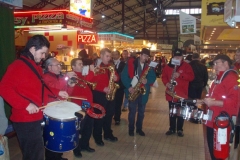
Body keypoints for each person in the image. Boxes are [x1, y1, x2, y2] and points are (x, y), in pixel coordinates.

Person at [0, 35, 68, 160]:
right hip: (25, 119)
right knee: (33, 155)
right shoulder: (18, 66)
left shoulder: (35, 66)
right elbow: (4, 88)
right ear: (32, 49)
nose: (43, 57)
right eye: (42, 53)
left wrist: (57, 92)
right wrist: (25, 104)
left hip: (36, 116)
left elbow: (41, 87)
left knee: (36, 152)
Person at [199, 54, 239, 160]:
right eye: (214, 64)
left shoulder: (232, 78)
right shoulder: (219, 77)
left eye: (217, 63)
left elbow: (235, 102)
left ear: (226, 63)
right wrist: (204, 100)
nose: (214, 67)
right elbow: (213, 95)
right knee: (213, 151)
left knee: (219, 153)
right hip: (212, 121)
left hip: (222, 123)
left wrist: (214, 103)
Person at [43, 57, 76, 160]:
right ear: (49, 67)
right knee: (51, 135)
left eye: (59, 65)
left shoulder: (59, 77)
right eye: (57, 65)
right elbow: (54, 87)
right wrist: (66, 77)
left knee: (59, 134)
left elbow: (66, 94)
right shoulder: (45, 77)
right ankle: (51, 157)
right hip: (50, 110)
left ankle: (58, 156)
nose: (59, 67)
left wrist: (70, 86)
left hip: (58, 108)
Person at [121, 48, 156, 136]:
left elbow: (153, 77)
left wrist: (147, 80)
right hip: (132, 90)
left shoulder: (149, 67)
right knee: (132, 112)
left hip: (143, 92)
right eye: (144, 55)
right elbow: (124, 76)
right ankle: (131, 129)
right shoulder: (130, 64)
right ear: (140, 55)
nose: (146, 58)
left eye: (147, 56)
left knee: (141, 112)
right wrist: (129, 87)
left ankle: (139, 129)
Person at [161, 48, 194, 137]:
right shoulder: (168, 66)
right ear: (173, 57)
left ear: (182, 57)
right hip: (171, 93)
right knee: (172, 112)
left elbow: (191, 77)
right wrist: (166, 83)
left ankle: (180, 129)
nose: (177, 58)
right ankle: (171, 128)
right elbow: (163, 77)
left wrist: (181, 75)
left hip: (181, 94)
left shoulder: (186, 66)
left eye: (179, 57)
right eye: (176, 56)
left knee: (181, 112)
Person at [92, 48, 119, 146]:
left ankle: (108, 134)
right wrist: (102, 88)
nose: (109, 58)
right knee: (100, 117)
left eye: (110, 56)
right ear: (101, 56)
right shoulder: (96, 68)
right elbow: (93, 83)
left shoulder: (110, 67)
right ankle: (97, 136)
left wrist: (116, 78)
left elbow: (116, 77)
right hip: (100, 95)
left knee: (109, 116)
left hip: (110, 94)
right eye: (107, 56)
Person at [70, 58, 95, 158]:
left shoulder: (82, 75)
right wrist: (92, 71)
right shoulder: (73, 77)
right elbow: (88, 79)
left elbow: (89, 80)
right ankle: (77, 149)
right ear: (73, 67)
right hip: (79, 107)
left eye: (82, 63)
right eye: (79, 64)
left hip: (87, 105)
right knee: (79, 129)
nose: (82, 65)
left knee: (88, 128)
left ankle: (85, 145)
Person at [112, 50, 126, 125]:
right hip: (111, 86)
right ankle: (112, 115)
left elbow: (123, 74)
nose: (114, 56)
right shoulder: (109, 63)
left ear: (119, 55)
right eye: (113, 54)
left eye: (116, 54)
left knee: (118, 102)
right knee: (111, 102)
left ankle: (117, 118)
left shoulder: (123, 64)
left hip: (119, 86)